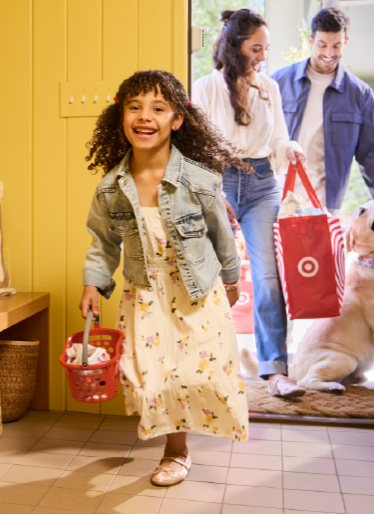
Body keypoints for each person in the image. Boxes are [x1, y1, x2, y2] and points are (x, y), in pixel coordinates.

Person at [80, 70, 250, 487]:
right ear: (120, 116)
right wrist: (92, 283)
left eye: (158, 108)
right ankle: (175, 450)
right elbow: (103, 243)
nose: (145, 116)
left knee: (198, 370)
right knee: (155, 374)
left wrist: (231, 282)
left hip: (196, 288)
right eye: (134, 107)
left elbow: (222, 236)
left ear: (177, 119)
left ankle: (178, 449)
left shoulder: (199, 180)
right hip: (144, 291)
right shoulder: (110, 189)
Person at [192, 9, 308, 398]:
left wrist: (290, 148)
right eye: (256, 48)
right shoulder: (206, 88)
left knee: (268, 278)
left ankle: (275, 371)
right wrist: (213, 189)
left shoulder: (269, 88)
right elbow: (199, 146)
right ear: (235, 46)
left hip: (261, 183)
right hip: (218, 180)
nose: (262, 56)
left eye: (265, 49)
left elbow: (278, 140)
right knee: (211, 276)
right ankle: (206, 366)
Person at [271, 7, 374, 215]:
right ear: (311, 41)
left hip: (324, 205)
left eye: (336, 45)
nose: (329, 54)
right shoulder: (279, 82)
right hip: (277, 197)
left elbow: (370, 154)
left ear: (345, 42)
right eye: (322, 45)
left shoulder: (359, 93)